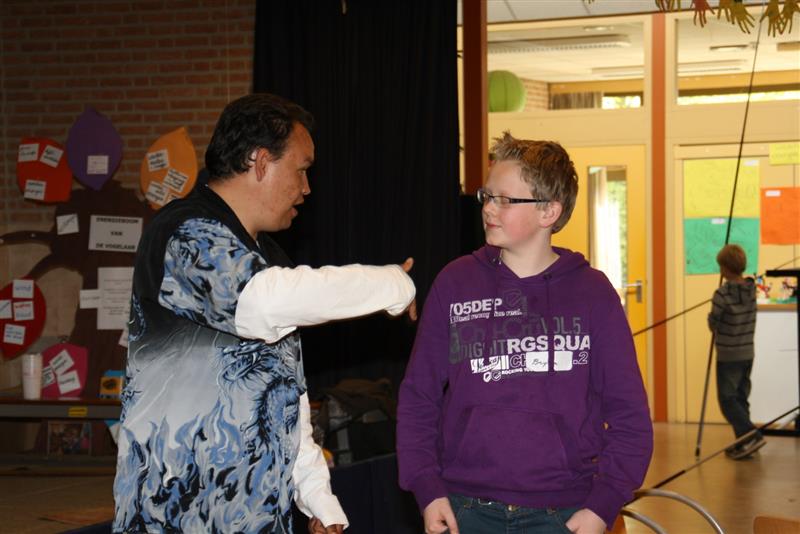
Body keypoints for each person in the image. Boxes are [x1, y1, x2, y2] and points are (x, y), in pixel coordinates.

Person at [113, 93, 416, 533]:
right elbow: (261, 302)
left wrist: (317, 497)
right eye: (301, 169)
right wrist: (390, 283)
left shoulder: (267, 258)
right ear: (259, 162)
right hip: (176, 515)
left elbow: (285, 393)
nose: (307, 188)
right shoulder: (185, 232)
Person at [397, 132, 653, 534]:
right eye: (487, 196)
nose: (488, 209)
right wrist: (427, 489)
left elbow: (630, 415)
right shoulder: (455, 282)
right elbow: (418, 397)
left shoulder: (594, 294)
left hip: (564, 513)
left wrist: (602, 506)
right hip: (464, 508)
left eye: (505, 199)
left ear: (549, 211)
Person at [708, 244, 764, 460]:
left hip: (728, 355)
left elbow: (714, 324)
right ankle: (743, 444)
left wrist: (711, 317)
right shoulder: (752, 290)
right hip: (747, 353)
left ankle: (751, 435)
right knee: (740, 397)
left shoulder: (721, 294)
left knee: (728, 400)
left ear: (725, 268)